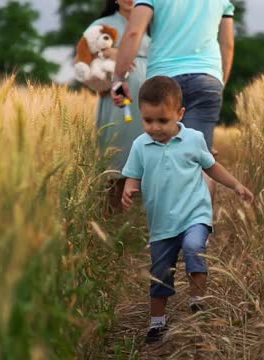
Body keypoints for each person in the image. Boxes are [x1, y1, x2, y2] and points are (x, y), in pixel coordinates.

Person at [120, 76, 254, 344]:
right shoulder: (139, 146)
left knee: (194, 247)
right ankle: (157, 322)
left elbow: (211, 167)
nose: (155, 127)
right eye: (148, 121)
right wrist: (129, 189)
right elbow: (133, 175)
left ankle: (197, 300)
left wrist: (236, 184)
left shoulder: (194, 139)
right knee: (160, 272)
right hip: (162, 223)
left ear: (180, 114)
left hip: (195, 212)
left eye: (162, 121)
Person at [111, 0, 235, 197]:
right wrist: (218, 83)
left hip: (163, 80)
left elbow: (134, 33)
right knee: (199, 161)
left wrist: (118, 78)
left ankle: (169, 223)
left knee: (162, 160)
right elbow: (227, 45)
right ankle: (200, 225)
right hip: (206, 78)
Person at [84, 0, 151, 211]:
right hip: (118, 100)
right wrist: (106, 53)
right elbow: (83, 61)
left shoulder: (152, 23)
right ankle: (113, 212)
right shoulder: (102, 25)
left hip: (151, 96)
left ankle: (145, 215)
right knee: (118, 150)